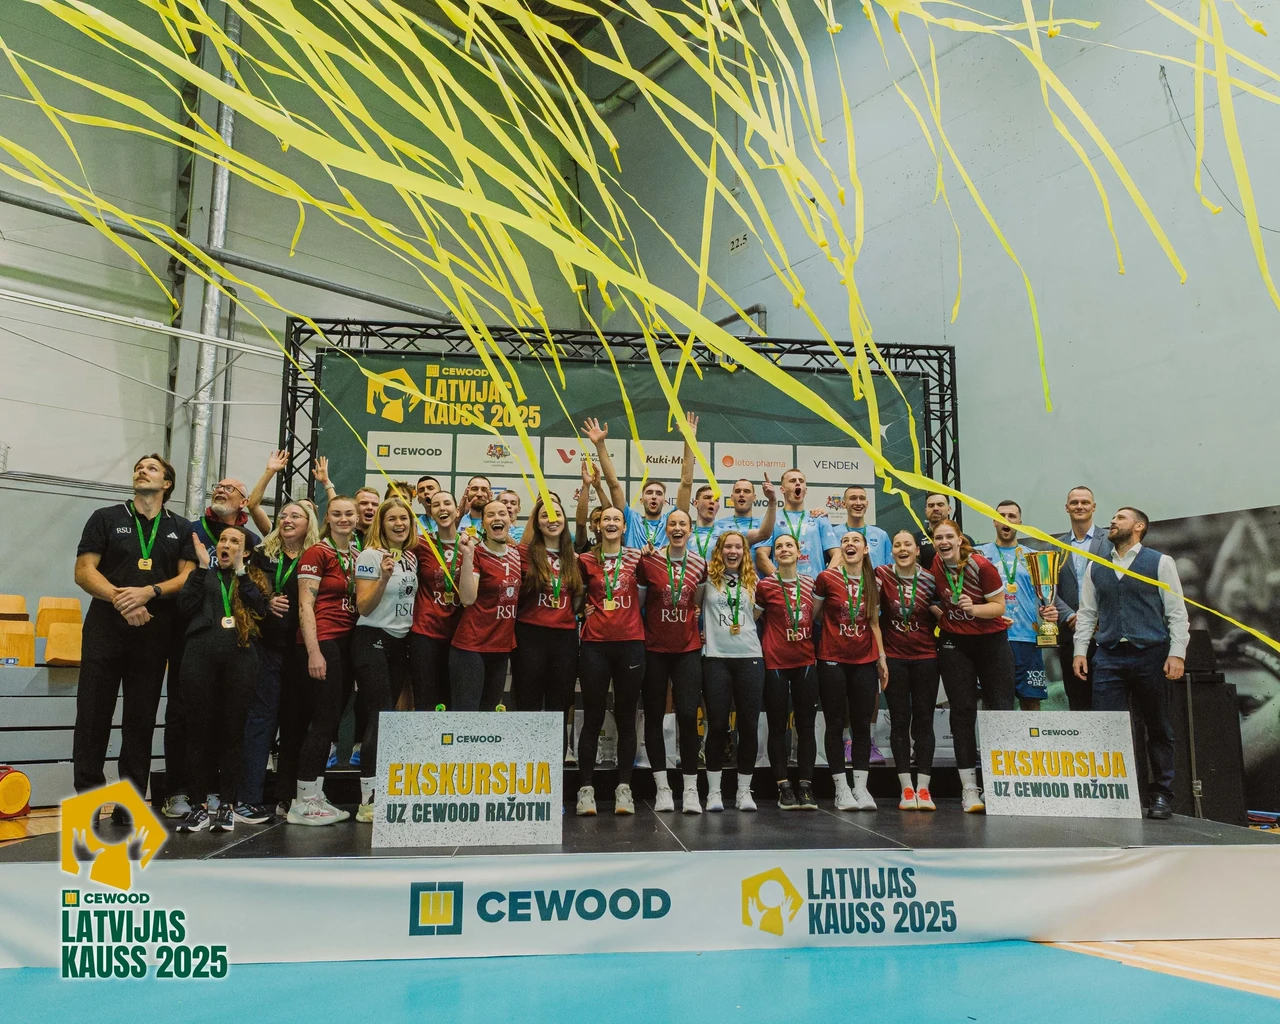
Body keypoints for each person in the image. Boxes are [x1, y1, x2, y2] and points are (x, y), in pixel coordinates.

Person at [73, 454, 195, 821]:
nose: (142, 470)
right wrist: (122, 599)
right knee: (92, 716)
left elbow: (187, 577)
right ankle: (88, 801)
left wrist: (150, 592)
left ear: (167, 483)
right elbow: (84, 571)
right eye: (139, 467)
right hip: (105, 629)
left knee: (140, 721)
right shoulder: (106, 517)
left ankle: (130, 804)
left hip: (153, 632)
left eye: (152, 468)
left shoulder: (180, 527)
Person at [1073, 507, 1189, 820]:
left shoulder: (1160, 562)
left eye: (1121, 517)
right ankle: (1113, 791)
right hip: (1108, 654)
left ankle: (1161, 794)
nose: (1113, 521)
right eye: (1113, 517)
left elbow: (1176, 612)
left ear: (1138, 527)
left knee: (1158, 726)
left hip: (1151, 654)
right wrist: (1080, 651)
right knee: (1105, 726)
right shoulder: (1096, 566)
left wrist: (1177, 652)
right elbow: (1087, 613)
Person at [173, 525, 266, 833]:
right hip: (199, 657)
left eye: (234, 541)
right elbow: (185, 607)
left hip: (240, 658)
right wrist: (201, 568)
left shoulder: (252, 578)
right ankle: (198, 806)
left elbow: (261, 608)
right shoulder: (204, 574)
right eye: (223, 540)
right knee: (198, 732)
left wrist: (240, 573)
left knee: (233, 732)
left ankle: (227, 804)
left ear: (246, 551)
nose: (226, 544)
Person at [237, 501, 319, 823]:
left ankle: (287, 798)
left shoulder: (316, 555)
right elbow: (243, 590)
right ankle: (248, 799)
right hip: (265, 648)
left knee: (295, 725)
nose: (287, 519)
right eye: (283, 515)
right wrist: (266, 602)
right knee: (261, 722)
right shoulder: (263, 554)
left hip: (300, 650)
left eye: (295, 516)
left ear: (308, 523)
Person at [931, 520, 1014, 814]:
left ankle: (999, 782)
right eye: (938, 537)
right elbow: (932, 597)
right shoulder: (936, 564)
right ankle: (969, 788)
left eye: (948, 537)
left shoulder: (982, 566)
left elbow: (1000, 607)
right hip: (956, 644)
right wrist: (940, 613)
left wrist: (974, 609)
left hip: (991, 643)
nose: (943, 542)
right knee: (962, 713)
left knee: (1000, 710)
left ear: (959, 539)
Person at [286, 496, 360, 826]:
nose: (344, 519)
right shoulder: (317, 552)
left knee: (330, 722)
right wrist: (313, 650)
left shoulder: (356, 553)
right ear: (327, 518)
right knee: (322, 721)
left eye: (349, 514)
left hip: (345, 643)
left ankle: (314, 794)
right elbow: (305, 604)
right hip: (322, 641)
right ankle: (302, 802)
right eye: (337, 514)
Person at [351, 498, 420, 822]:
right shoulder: (370, 555)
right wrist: (382, 578)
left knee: (390, 719)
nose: (399, 524)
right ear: (381, 523)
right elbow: (363, 606)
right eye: (392, 518)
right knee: (379, 717)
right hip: (372, 639)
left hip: (399, 644)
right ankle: (368, 799)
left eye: (404, 518)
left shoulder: (410, 557)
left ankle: (384, 790)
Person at [575, 506, 646, 816]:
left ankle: (624, 788)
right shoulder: (585, 560)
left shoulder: (637, 558)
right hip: (595, 645)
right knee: (592, 717)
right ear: (598, 526)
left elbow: (646, 596)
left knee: (627, 718)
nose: (612, 523)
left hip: (630, 644)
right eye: (607, 519)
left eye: (617, 519)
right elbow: (575, 597)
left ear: (624, 526)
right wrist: (582, 611)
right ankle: (585, 790)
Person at [638, 509, 708, 813]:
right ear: (665, 530)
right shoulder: (649, 561)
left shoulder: (700, 564)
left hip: (687, 649)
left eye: (683, 524)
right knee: (654, 717)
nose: (677, 528)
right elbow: (640, 604)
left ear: (690, 530)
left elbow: (698, 603)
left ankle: (690, 788)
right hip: (654, 648)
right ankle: (662, 788)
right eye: (672, 524)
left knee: (688, 716)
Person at [815, 531, 888, 811]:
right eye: (845, 541)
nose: (849, 544)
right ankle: (841, 789)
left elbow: (874, 623)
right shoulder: (826, 578)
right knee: (835, 724)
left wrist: (881, 657)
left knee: (861, 725)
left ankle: (860, 787)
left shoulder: (873, 582)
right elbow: (815, 615)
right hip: (832, 657)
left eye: (856, 540)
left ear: (866, 549)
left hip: (864, 660)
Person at [754, 533, 822, 810]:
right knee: (777, 726)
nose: (783, 550)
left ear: (798, 551)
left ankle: (805, 786)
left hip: (805, 662)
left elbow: (814, 616)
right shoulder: (765, 585)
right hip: (775, 663)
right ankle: (783, 787)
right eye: (779, 546)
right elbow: (753, 618)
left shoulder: (811, 583)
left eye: (788, 546)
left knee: (806, 727)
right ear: (774, 554)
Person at [875, 531, 940, 811]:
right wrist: (881, 656)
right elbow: (871, 615)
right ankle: (906, 788)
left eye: (907, 545)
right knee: (900, 721)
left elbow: (942, 610)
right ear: (892, 551)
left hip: (926, 657)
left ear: (917, 551)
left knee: (924, 721)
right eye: (897, 545)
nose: (902, 549)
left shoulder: (930, 579)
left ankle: (923, 789)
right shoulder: (881, 575)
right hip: (894, 658)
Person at [700, 530, 765, 811]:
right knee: (717, 726)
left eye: (738, 547)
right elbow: (693, 608)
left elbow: (754, 616)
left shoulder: (754, 581)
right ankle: (714, 792)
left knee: (748, 726)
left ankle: (743, 792)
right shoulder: (707, 579)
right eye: (728, 547)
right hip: (716, 658)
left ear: (744, 552)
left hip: (749, 657)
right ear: (719, 550)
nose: (733, 551)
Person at [513, 495, 583, 749]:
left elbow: (578, 599)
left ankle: (556, 763)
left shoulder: (574, 558)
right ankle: (526, 761)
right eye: (545, 516)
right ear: (537, 523)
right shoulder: (523, 553)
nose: (552, 520)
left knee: (559, 706)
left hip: (564, 638)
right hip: (530, 636)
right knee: (527, 703)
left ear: (565, 521)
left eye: (557, 515)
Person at [979, 501, 1054, 711]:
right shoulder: (979, 555)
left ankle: (1033, 735)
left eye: (1012, 516)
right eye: (1001, 516)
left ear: (1020, 522)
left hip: (1026, 639)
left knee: (1031, 702)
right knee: (993, 702)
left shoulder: (1036, 558)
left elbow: (1047, 599)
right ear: (994, 521)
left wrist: (1049, 611)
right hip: (991, 637)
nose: (1006, 520)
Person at [583, 413, 696, 551]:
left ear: (665, 501)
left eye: (659, 493)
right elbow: (613, 484)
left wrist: (689, 439)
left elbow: (686, 483)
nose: (654, 496)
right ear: (641, 500)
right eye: (649, 492)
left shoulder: (672, 521)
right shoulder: (630, 518)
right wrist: (600, 445)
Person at [451, 499, 521, 711]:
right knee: (467, 715)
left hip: (501, 646)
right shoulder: (476, 554)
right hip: (471, 647)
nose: (497, 518)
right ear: (482, 524)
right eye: (490, 515)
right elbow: (467, 599)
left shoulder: (517, 554)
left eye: (502, 513)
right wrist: (468, 556)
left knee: (489, 714)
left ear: (510, 520)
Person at [1054, 486, 1113, 711]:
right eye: (1075, 502)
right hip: (1070, 633)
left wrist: (1095, 617)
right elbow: (1048, 590)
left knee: (1111, 703)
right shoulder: (1055, 546)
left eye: (1085, 502)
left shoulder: (1111, 541)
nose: (1080, 506)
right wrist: (1070, 616)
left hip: (1105, 633)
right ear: (1066, 507)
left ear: (1094, 507)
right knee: (1078, 703)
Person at [409, 491, 464, 711]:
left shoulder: (472, 545)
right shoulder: (420, 544)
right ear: (430, 513)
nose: (442, 508)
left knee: (453, 700)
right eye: (436, 505)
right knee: (425, 700)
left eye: (447, 503)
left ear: (457, 511)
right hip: (425, 632)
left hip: (459, 635)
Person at [759, 469, 839, 580]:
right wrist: (781, 581)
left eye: (801, 481)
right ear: (782, 489)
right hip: (782, 586)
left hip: (814, 587)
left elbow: (838, 555)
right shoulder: (771, 518)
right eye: (792, 481)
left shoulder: (818, 517)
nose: (797, 483)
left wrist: (823, 582)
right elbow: (761, 556)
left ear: (806, 490)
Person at [716, 478, 777, 577]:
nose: (741, 494)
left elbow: (762, 556)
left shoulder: (764, 524)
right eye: (737, 491)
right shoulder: (719, 525)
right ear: (732, 498)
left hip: (755, 583)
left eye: (746, 491)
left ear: (754, 498)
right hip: (726, 582)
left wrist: (772, 501)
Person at [915, 493, 973, 571]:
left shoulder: (965, 539)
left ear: (949, 510)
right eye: (931, 505)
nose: (935, 508)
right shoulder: (915, 540)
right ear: (926, 511)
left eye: (940, 505)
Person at [838, 486, 891, 569]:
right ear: (844, 504)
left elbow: (890, 569)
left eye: (862, 498)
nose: (858, 503)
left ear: (867, 503)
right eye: (853, 498)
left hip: (874, 578)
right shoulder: (833, 534)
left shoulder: (881, 535)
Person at [573, 457, 611, 554]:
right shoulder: (587, 550)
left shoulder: (620, 546)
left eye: (605, 519)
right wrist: (586, 485)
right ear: (590, 527)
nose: (601, 523)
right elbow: (580, 525)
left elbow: (612, 514)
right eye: (597, 520)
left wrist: (598, 488)